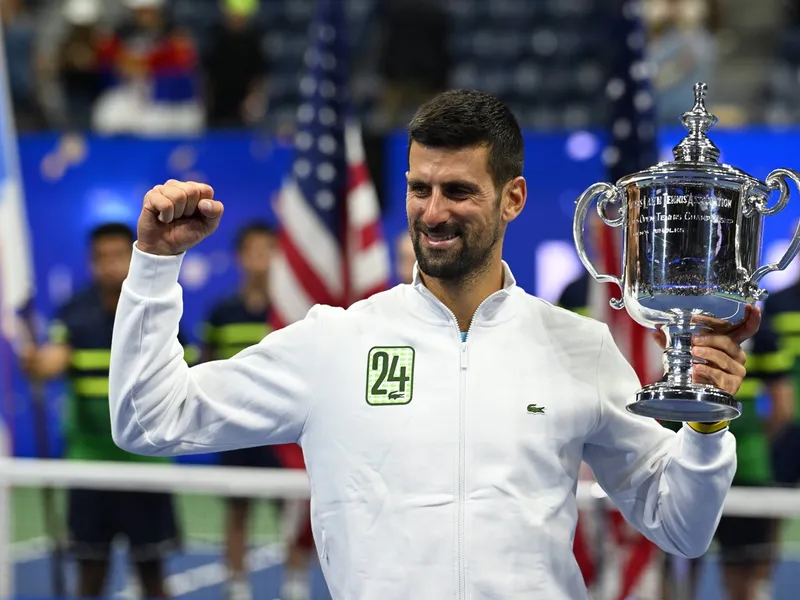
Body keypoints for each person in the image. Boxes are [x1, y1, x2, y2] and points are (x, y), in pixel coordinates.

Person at [108, 90, 754, 599]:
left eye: (459, 191)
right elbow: (149, 421)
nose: (434, 211)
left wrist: (704, 432)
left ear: (513, 199)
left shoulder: (578, 347)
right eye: (421, 188)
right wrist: (155, 266)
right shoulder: (334, 342)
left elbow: (681, 528)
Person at [21, 223, 192, 598]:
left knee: (152, 574)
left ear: (133, 256)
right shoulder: (75, 312)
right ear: (91, 261)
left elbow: (185, 367)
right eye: (101, 258)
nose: (111, 265)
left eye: (119, 255)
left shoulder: (157, 306)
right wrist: (38, 362)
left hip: (147, 463)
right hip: (90, 463)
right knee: (91, 574)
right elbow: (55, 356)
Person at [201, 222, 311, 600]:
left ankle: (295, 586)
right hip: (236, 434)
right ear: (240, 257)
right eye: (253, 250)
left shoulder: (292, 310)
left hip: (283, 433)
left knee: (291, 513)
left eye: (269, 249)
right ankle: (237, 588)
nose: (261, 258)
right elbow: (207, 366)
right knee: (237, 512)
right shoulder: (222, 312)